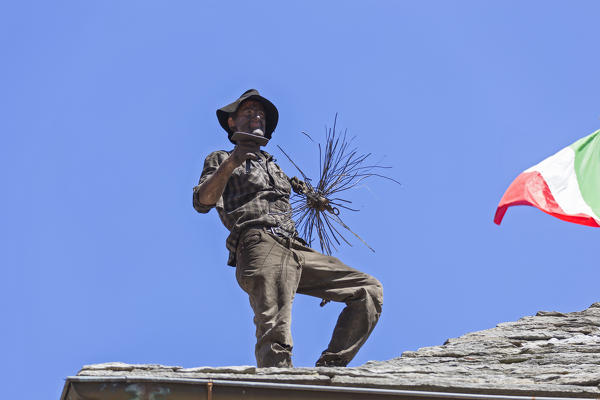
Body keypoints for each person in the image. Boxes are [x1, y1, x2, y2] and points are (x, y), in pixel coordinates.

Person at [193, 89, 383, 368]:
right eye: (248, 111)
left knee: (367, 289)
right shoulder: (221, 157)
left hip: (294, 247)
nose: (257, 115)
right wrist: (234, 161)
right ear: (232, 123)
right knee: (275, 328)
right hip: (259, 242)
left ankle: (330, 369)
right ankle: (279, 382)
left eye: (260, 113)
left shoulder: (274, 166)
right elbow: (203, 201)